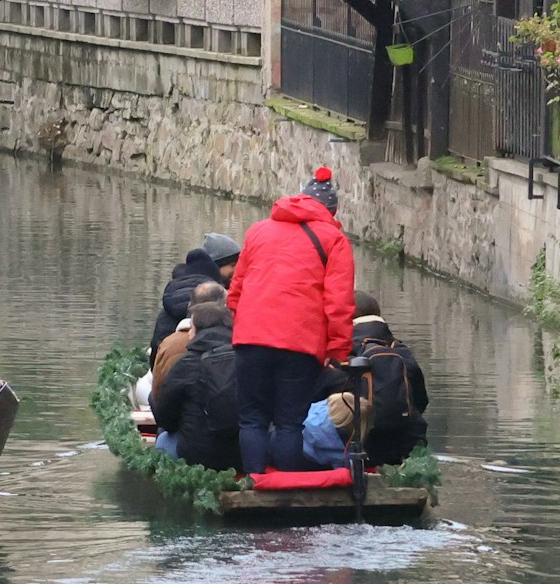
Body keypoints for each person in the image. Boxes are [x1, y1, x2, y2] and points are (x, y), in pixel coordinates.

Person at [226, 167, 356, 475]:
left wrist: (242, 327)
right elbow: (338, 303)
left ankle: (255, 484)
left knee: (252, 418)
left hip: (251, 340)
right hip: (300, 344)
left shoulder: (258, 230)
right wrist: (338, 353)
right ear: (331, 210)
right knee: (289, 422)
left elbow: (235, 292)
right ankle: (284, 489)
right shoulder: (335, 240)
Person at [151, 288, 242, 471]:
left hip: (195, 455)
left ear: (199, 330)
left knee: (162, 440)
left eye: (192, 327)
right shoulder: (245, 360)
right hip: (241, 454)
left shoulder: (186, 364)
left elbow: (165, 419)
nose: (189, 333)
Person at [338, 289, 431, 466]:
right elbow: (421, 400)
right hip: (406, 443)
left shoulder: (343, 353)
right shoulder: (401, 352)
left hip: (358, 447)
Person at [153, 233, 240, 348]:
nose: (237, 270)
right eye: (232, 265)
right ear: (214, 267)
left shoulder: (170, 302)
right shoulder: (215, 300)